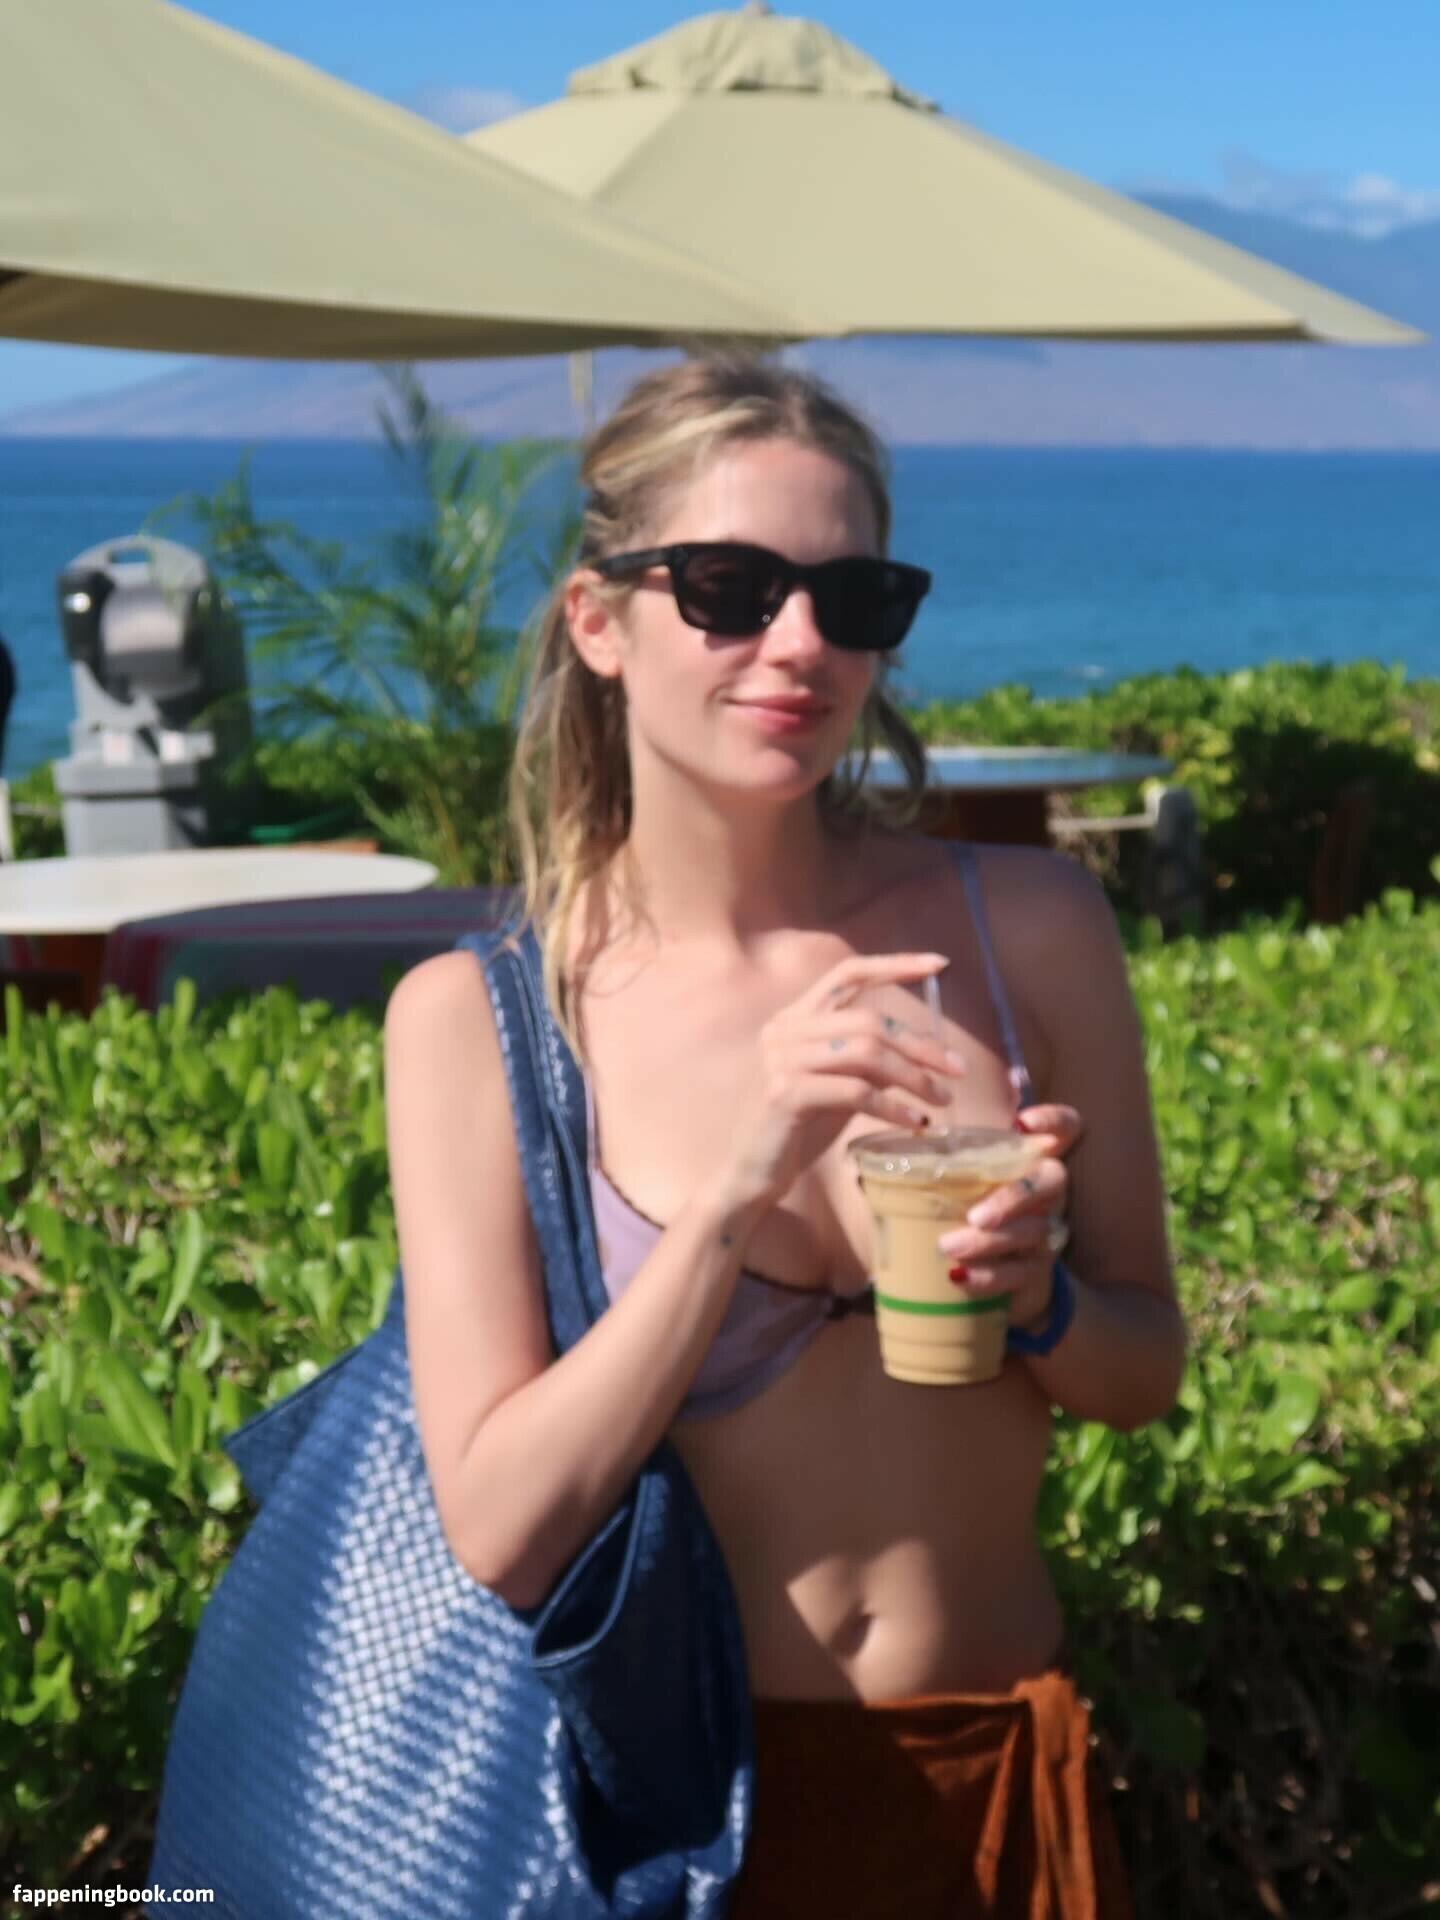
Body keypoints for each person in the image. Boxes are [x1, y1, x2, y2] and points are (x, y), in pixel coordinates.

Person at [383, 354, 1186, 1918]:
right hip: (691, 1826)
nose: (801, 644)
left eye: (852, 596)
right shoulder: (480, 1020)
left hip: (1000, 1774)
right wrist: (736, 1186)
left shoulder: (1027, 926)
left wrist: (1042, 1303)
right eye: (732, 589)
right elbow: (503, 1525)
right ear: (599, 621)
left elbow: (1145, 1371)